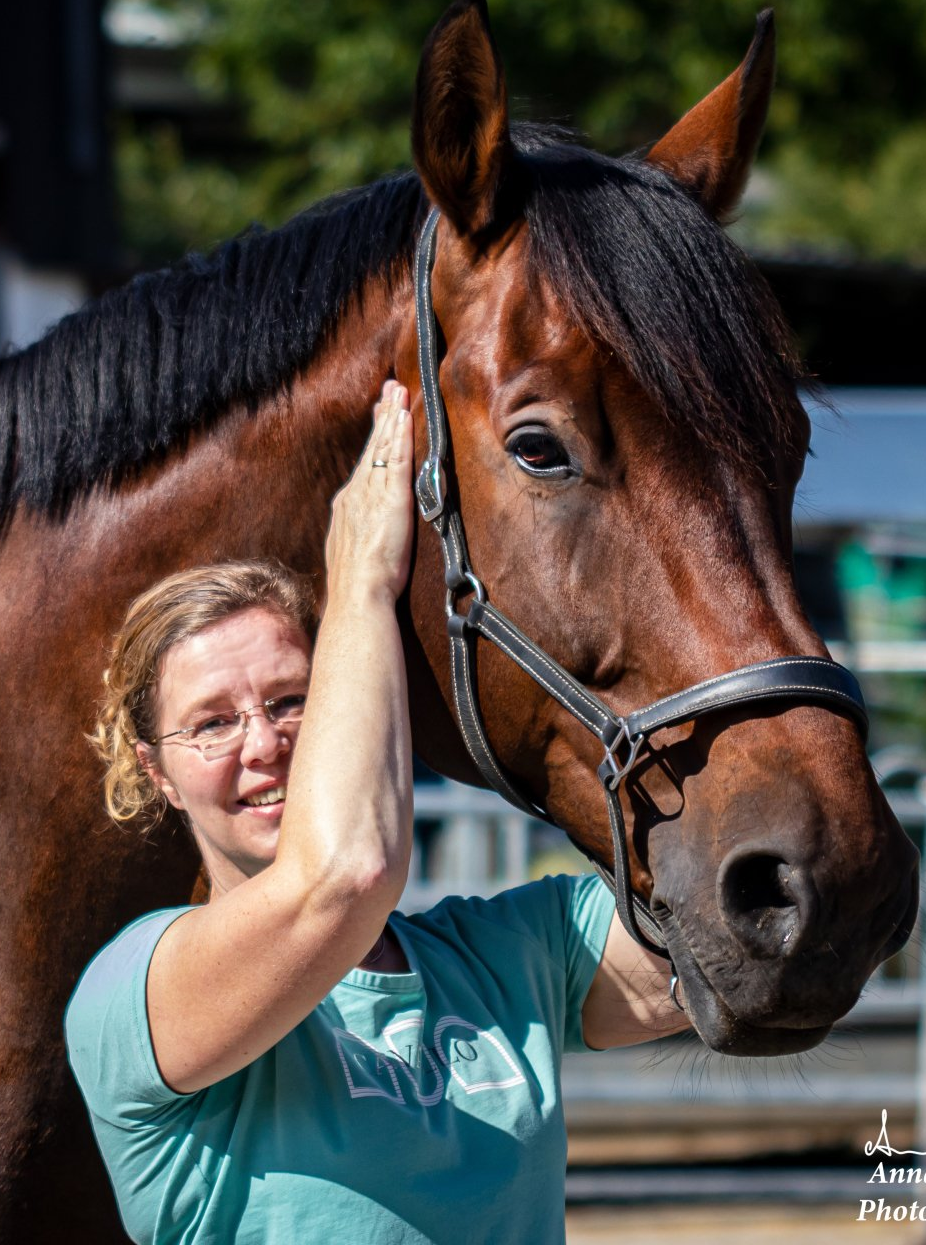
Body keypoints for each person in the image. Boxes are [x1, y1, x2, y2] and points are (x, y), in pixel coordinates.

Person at [65, 381, 692, 1245]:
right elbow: (343, 878)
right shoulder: (131, 994)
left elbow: (720, 935)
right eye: (212, 722)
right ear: (158, 773)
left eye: (293, 700)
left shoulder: (511, 957)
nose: (264, 745)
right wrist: (359, 582)